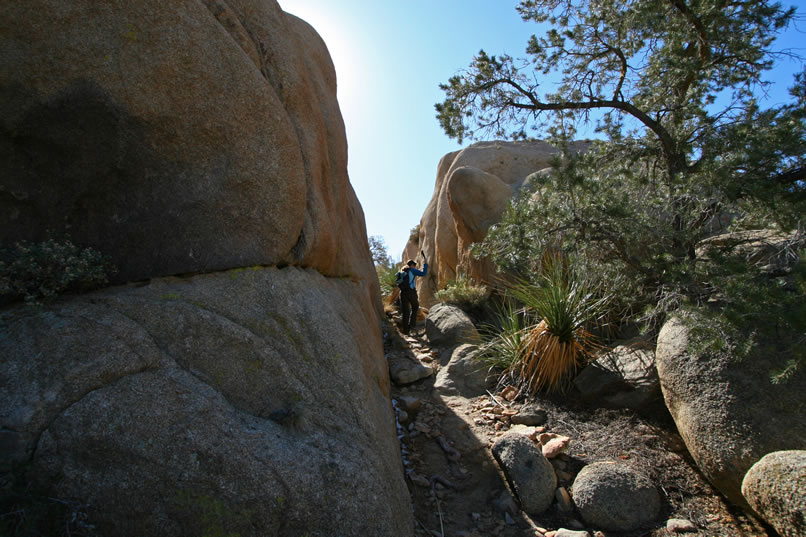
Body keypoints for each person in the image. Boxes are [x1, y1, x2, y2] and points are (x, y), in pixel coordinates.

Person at [396, 251, 428, 334]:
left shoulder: (402, 271)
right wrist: (425, 264)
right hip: (411, 292)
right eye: (415, 265)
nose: (415, 267)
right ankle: (412, 326)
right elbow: (423, 273)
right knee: (415, 307)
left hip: (402, 293)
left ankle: (406, 331)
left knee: (405, 312)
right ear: (412, 265)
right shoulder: (412, 270)